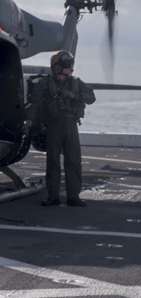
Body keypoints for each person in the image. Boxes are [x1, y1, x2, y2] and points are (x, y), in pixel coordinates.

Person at [23, 50, 95, 207]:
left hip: (71, 125)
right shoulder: (44, 84)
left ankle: (73, 196)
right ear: (57, 67)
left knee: (74, 161)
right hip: (53, 125)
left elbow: (91, 97)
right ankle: (53, 196)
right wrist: (29, 120)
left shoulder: (75, 82)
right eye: (67, 66)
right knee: (53, 161)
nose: (70, 69)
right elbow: (34, 104)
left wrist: (74, 96)